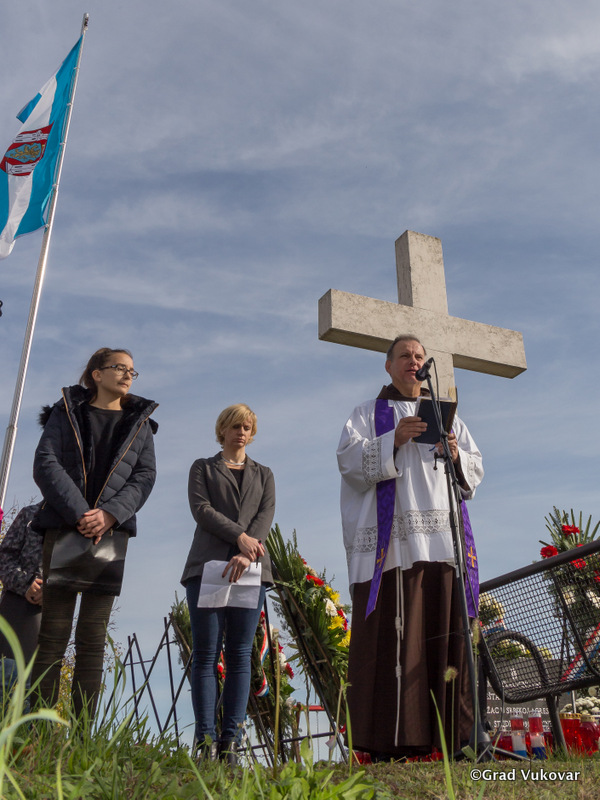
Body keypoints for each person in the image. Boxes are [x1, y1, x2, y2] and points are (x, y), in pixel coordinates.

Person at [337, 334, 483, 760]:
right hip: (393, 550)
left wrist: (455, 454)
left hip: (442, 546)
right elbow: (348, 463)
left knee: (446, 635)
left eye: (419, 356)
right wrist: (392, 440)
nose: (413, 361)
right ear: (388, 365)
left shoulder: (445, 415)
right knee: (393, 641)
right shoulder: (367, 414)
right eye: (404, 355)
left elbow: (475, 468)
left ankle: (456, 739)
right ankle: (390, 743)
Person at [31, 348, 158, 720]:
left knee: (92, 639)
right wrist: (81, 514)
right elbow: (46, 462)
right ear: (97, 374)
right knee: (52, 636)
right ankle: (38, 733)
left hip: (111, 536)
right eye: (119, 367)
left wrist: (109, 514)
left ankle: (83, 735)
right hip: (63, 528)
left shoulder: (140, 425)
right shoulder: (67, 413)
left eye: (132, 370)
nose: (127, 374)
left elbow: (144, 477)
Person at [181, 403, 275, 764]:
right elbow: (201, 510)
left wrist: (248, 552)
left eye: (247, 427)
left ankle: (230, 743)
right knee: (206, 654)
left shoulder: (264, 474)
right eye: (235, 426)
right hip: (207, 567)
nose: (241, 433)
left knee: (240, 654)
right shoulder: (203, 468)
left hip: (251, 569)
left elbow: (265, 514)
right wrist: (240, 538)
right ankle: (204, 741)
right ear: (222, 430)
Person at [0, 503, 43, 703]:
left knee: (34, 689)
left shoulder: (78, 524)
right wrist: (25, 583)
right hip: (15, 608)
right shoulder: (29, 515)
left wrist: (50, 589)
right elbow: (4, 557)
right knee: (5, 680)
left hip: (53, 614)